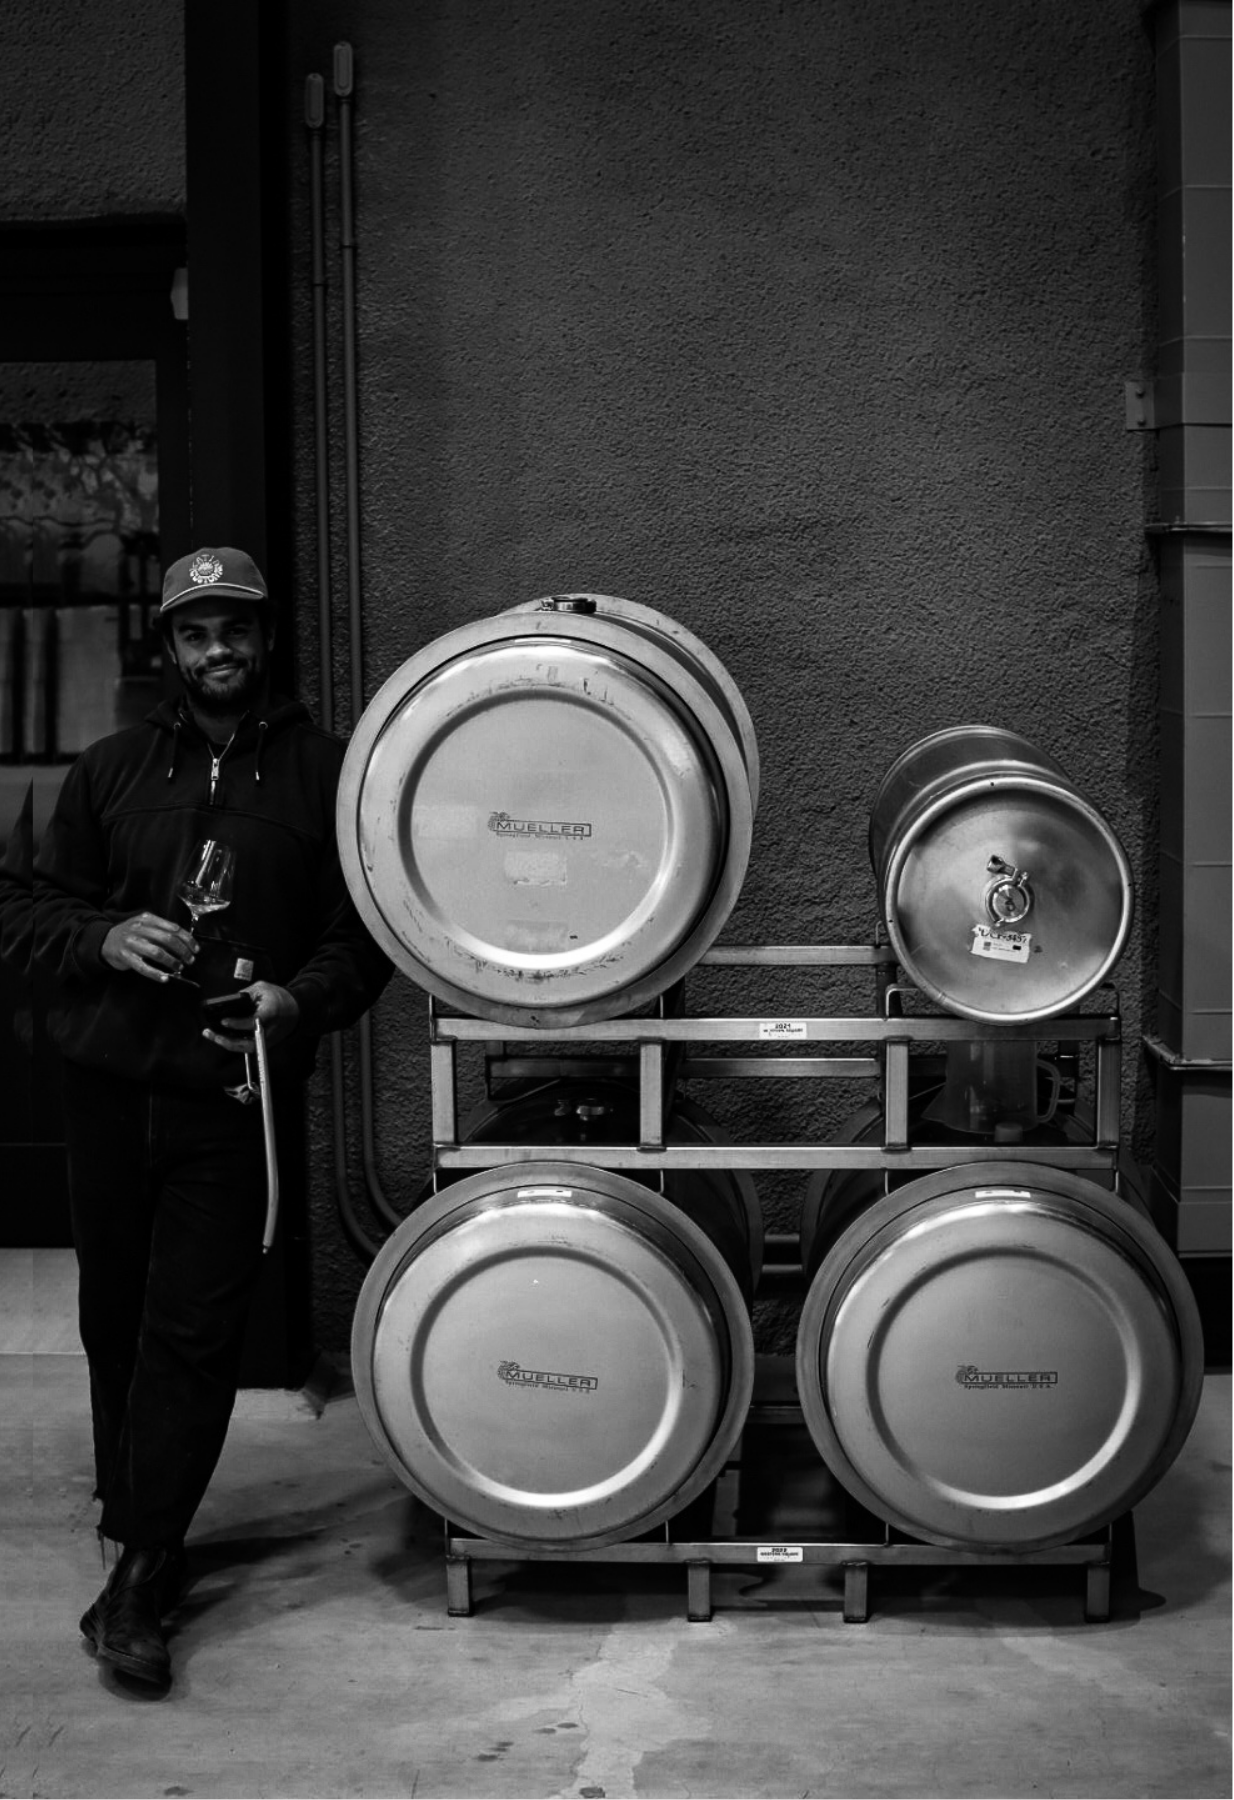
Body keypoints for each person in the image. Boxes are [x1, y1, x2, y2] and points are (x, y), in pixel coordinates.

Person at [33, 545, 391, 1691]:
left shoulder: (328, 777)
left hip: (232, 1100)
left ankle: (143, 1574)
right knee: (115, 1318)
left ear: (264, 634)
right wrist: (103, 935)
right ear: (170, 644)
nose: (217, 650)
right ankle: (140, 1513)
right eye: (196, 632)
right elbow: (20, 904)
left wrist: (300, 1000)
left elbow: (362, 936)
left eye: (234, 628)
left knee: (192, 1330)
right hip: (109, 1087)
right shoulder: (111, 769)